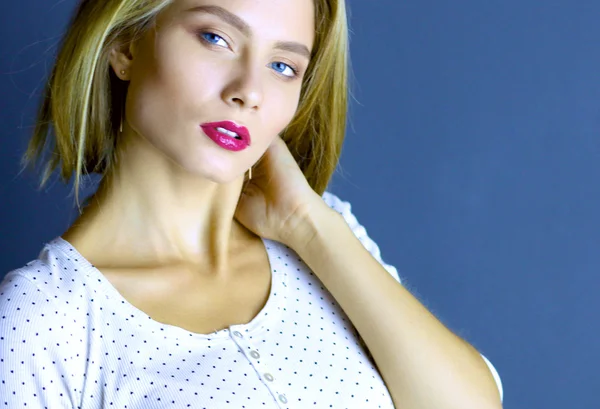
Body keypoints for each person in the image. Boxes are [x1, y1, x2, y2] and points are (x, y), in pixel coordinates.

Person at [0, 0, 504, 407]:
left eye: (283, 66)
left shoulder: (321, 236)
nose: (249, 91)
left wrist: (306, 223)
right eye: (215, 38)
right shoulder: (44, 319)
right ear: (125, 44)